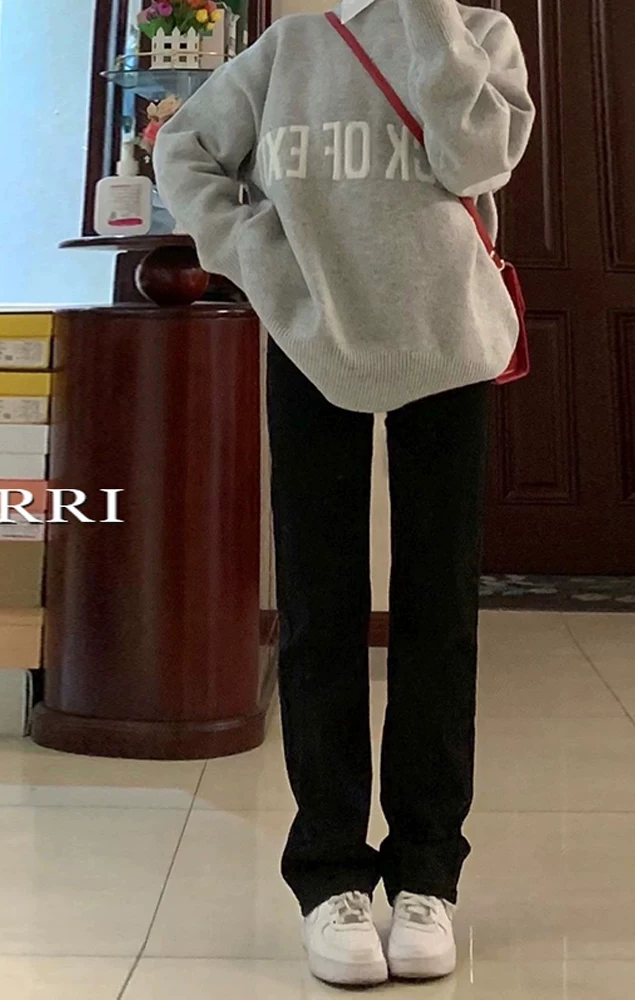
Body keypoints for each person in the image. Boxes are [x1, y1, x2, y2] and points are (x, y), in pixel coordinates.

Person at [155, 0, 534, 986]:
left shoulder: (481, 34)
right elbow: (184, 146)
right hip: (312, 336)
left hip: (449, 341)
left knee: (438, 611)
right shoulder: (291, 47)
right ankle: (329, 876)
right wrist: (256, 255)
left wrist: (431, 21)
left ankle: (428, 874)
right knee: (319, 607)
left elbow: (474, 160)